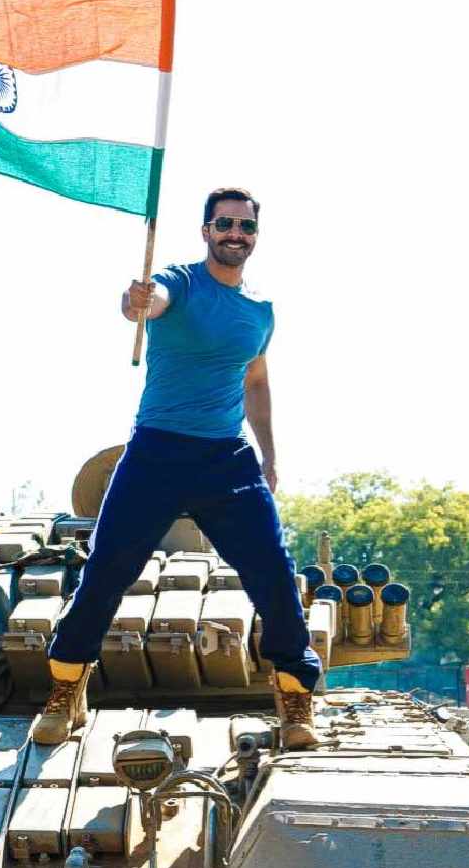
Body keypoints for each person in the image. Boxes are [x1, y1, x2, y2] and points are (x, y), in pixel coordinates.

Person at [34, 187, 320, 749]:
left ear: (255, 235)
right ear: (206, 231)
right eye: (224, 224)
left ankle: (293, 697)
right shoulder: (179, 281)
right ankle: (67, 686)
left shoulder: (260, 311)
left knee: (276, 577)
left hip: (226, 458)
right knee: (106, 571)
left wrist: (269, 455)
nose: (235, 233)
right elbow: (147, 299)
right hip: (157, 451)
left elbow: (256, 381)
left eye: (245, 225)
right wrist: (137, 299)